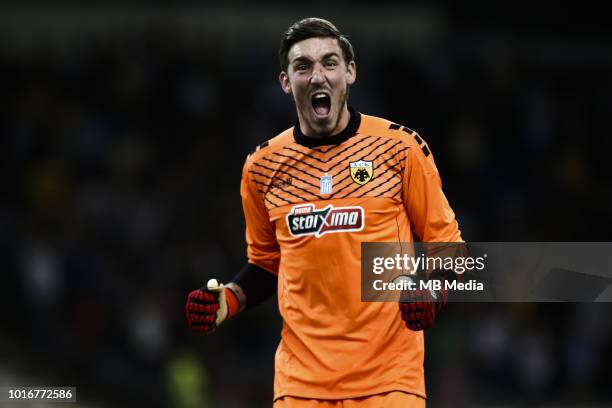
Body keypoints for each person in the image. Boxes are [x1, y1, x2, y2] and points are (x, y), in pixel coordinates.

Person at [185, 17, 462, 408]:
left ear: (350, 73)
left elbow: (448, 246)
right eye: (303, 66)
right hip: (300, 387)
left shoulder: (400, 149)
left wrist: (431, 291)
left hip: (389, 382)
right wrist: (227, 301)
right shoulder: (262, 167)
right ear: (285, 82)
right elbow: (267, 264)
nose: (318, 75)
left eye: (329, 63)